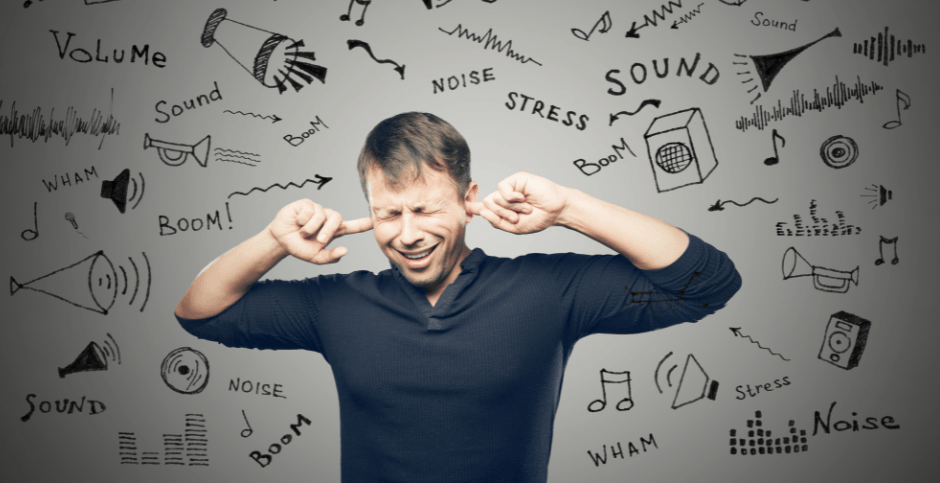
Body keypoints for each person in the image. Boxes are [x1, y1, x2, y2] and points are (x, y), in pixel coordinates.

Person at [175, 112, 741, 482]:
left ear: (469, 199)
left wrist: (569, 208)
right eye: (388, 214)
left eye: (425, 209)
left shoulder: (547, 290)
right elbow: (199, 313)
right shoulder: (336, 304)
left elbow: (707, 283)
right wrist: (274, 241)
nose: (407, 234)